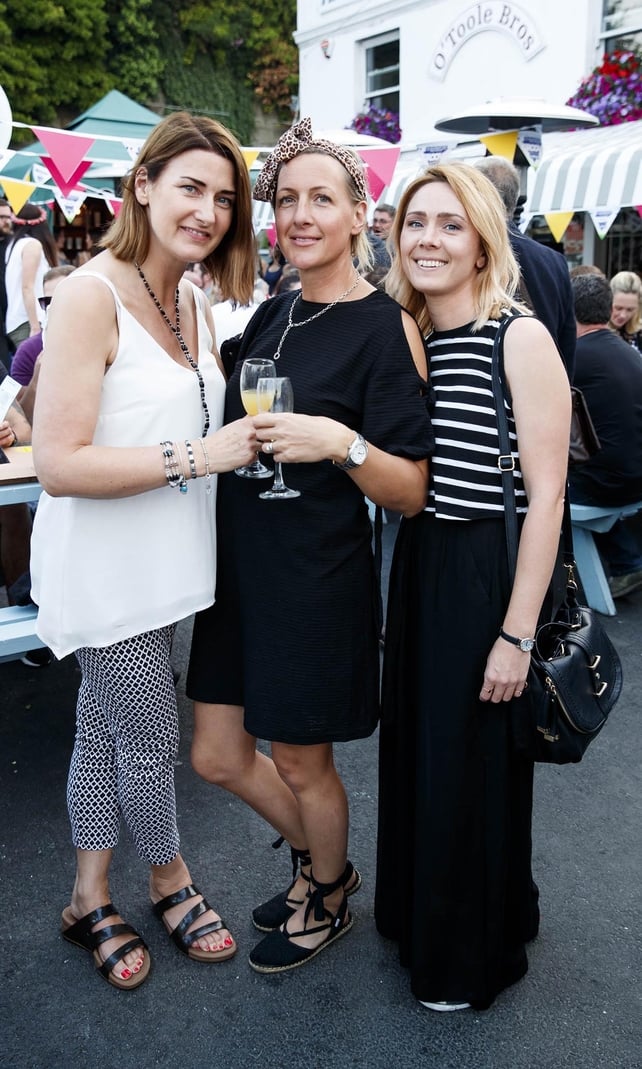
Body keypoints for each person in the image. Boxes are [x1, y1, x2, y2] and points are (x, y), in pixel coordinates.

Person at [186, 115, 433, 974]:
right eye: (287, 199)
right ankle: (325, 862)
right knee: (217, 754)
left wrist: (342, 442)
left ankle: (325, 892)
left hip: (315, 578)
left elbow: (411, 489)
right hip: (239, 572)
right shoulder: (274, 311)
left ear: (360, 214)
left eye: (321, 199)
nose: (299, 215)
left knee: (299, 757)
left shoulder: (385, 326)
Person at [29, 110, 258, 990]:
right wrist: (200, 455)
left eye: (224, 198)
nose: (208, 211)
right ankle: (170, 878)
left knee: (101, 728)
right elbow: (57, 462)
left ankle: (87, 895)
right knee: (151, 735)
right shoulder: (90, 295)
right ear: (143, 186)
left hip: (170, 561)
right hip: (106, 567)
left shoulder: (193, 298)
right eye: (190, 188)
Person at [375, 163, 571, 1011]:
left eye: (451, 224)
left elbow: (548, 495)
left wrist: (517, 633)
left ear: (484, 242)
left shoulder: (515, 336)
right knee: (421, 749)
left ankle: (466, 956)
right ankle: (423, 915)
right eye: (416, 222)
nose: (429, 239)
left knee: (469, 765)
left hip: (488, 569)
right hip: (422, 560)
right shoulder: (411, 332)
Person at [569, 273, 642, 598]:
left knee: (539, 486)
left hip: (607, 488)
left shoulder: (575, 356)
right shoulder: (628, 352)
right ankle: (627, 562)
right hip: (634, 479)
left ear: (568, 309)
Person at [475, 156, 576, 381]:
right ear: (515, 200)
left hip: (490, 387)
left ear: (475, 195)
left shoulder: (476, 251)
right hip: (547, 382)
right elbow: (567, 342)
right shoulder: (554, 261)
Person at [4, 202, 58, 352]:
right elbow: (27, 287)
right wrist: (35, 326)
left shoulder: (14, 245)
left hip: (19, 320)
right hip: (29, 321)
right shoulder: (32, 245)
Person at [609, 270, 642, 352]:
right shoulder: (593, 331)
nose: (623, 315)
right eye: (618, 308)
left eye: (630, 310)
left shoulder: (639, 333)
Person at [0, 196, 14, 371]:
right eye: (2, 217)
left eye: (8, 217)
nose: (6, 221)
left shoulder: (13, 244)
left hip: (12, 314)